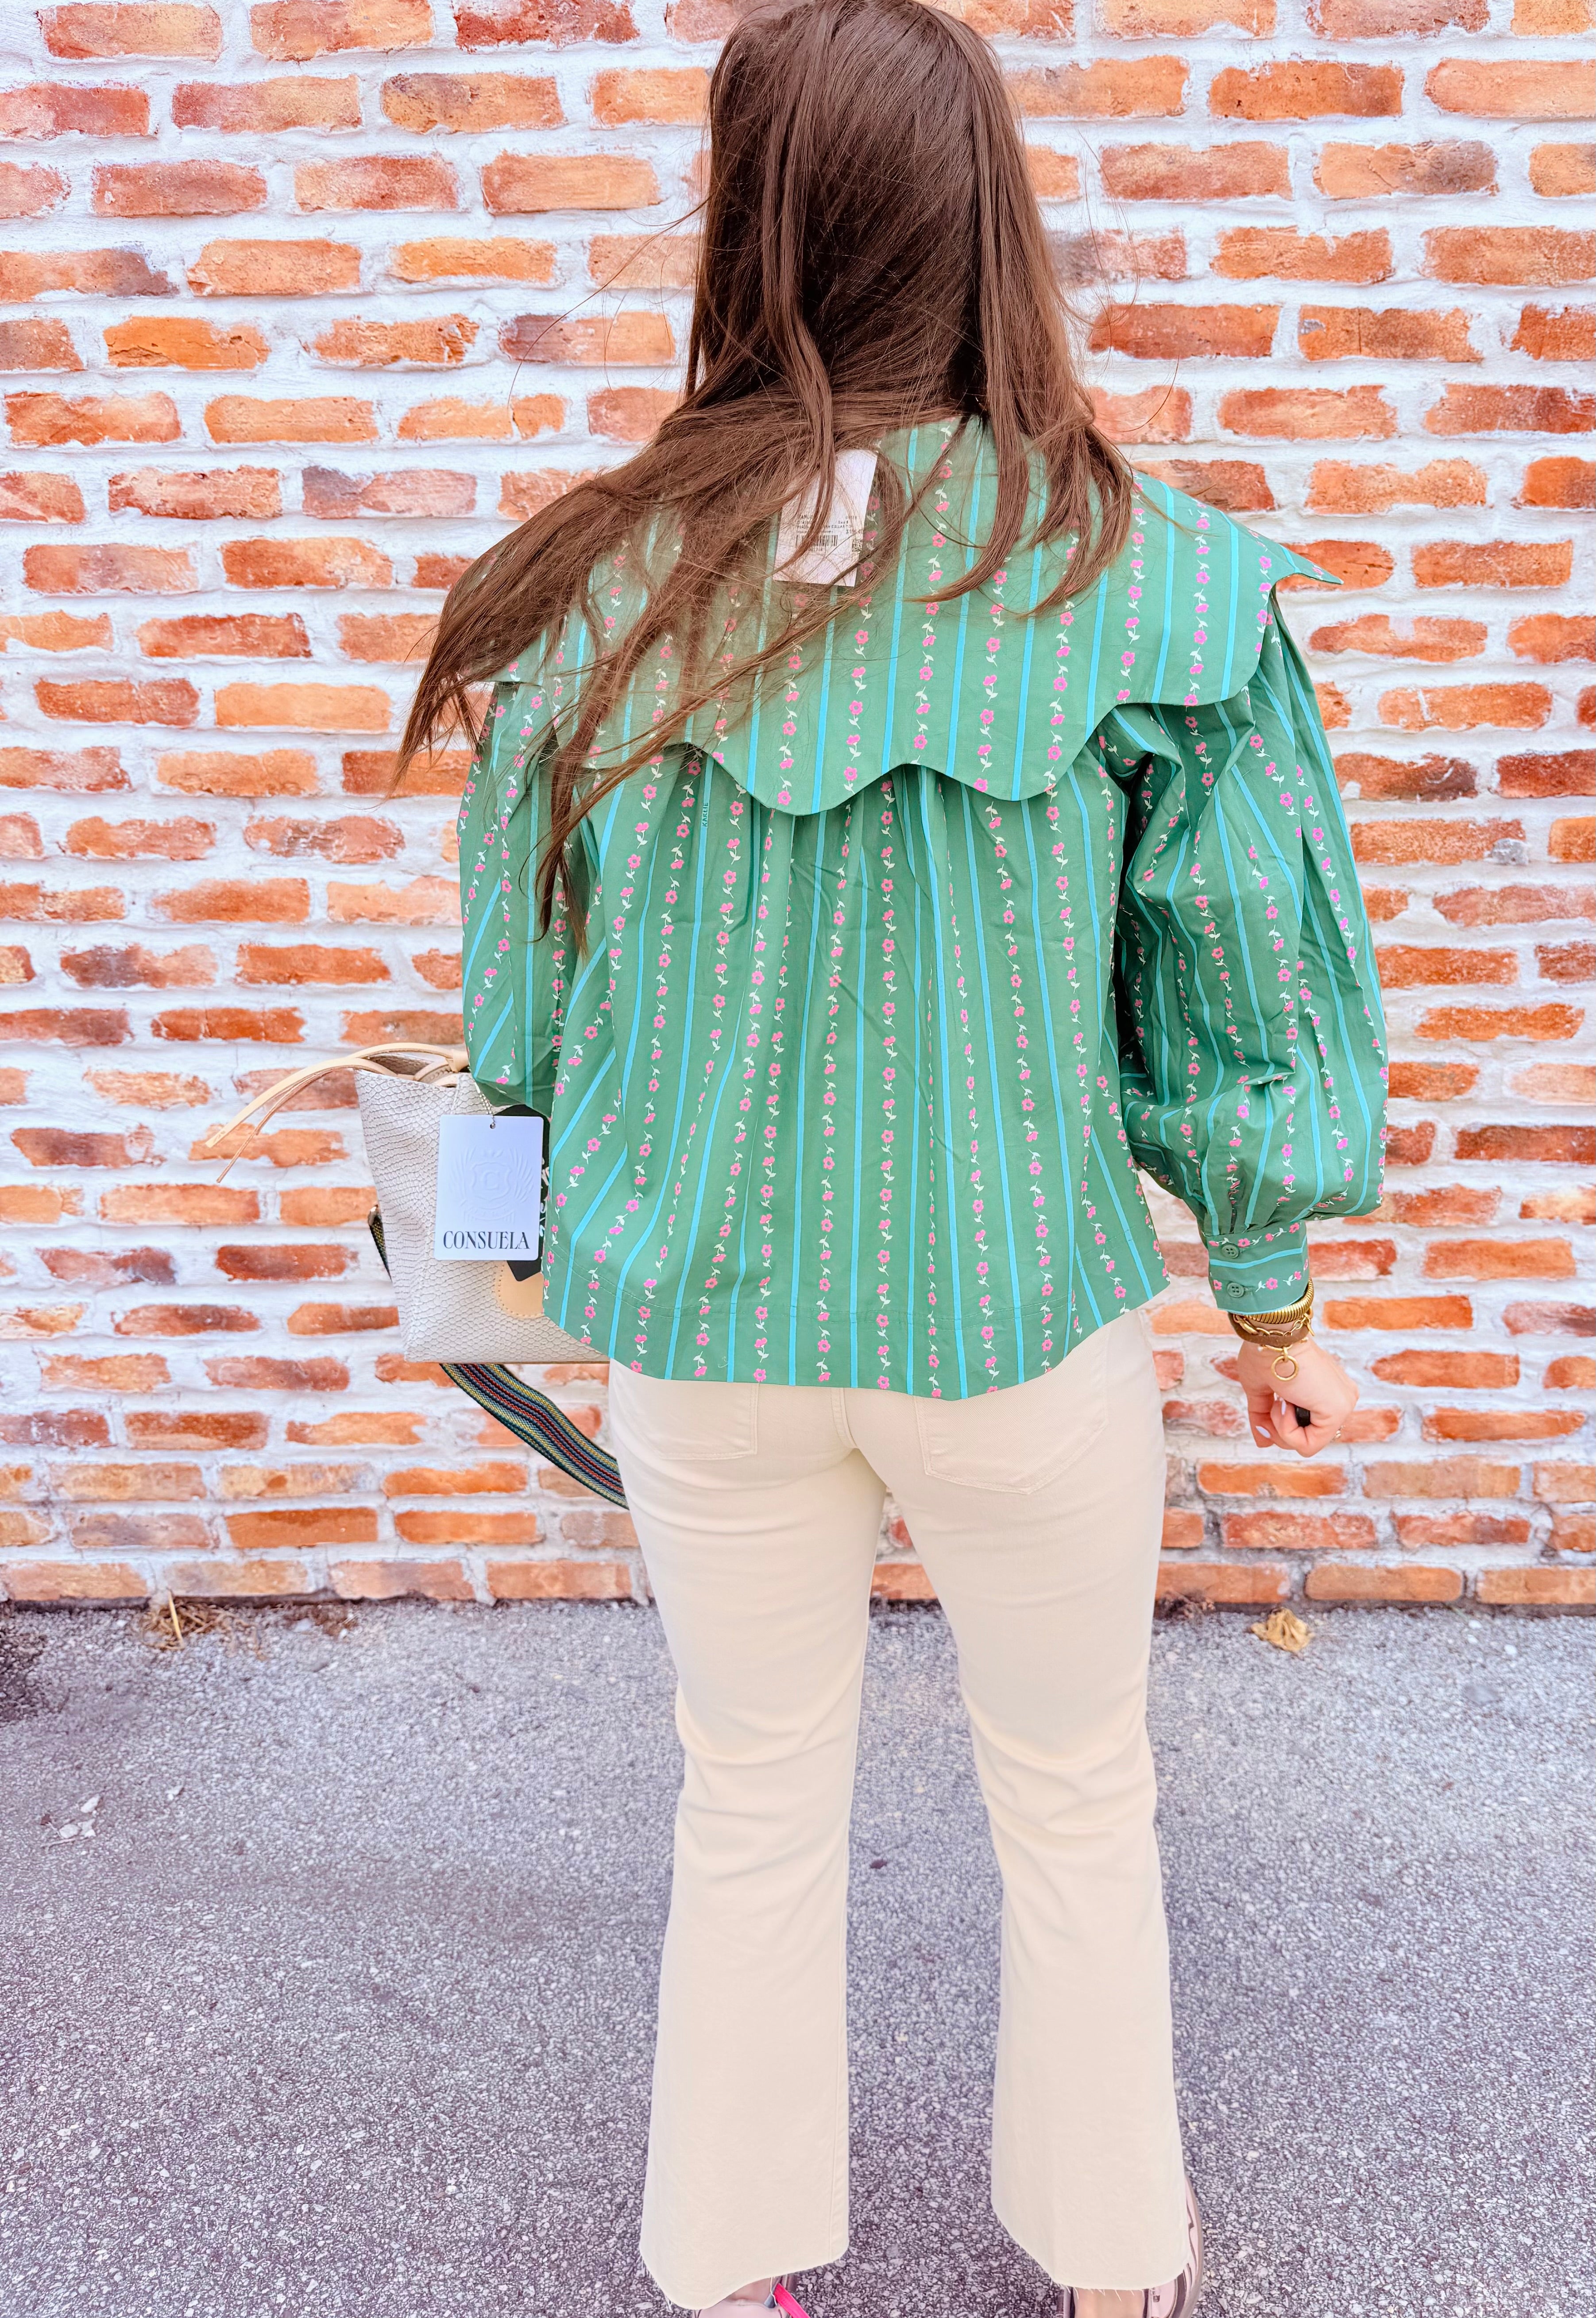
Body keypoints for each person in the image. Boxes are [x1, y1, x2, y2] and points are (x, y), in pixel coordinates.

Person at [401, 1, 1387, 2310]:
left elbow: (507, 1021)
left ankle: (734, 2266)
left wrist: (495, 1266)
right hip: (1010, 1327)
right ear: (984, 227)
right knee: (1071, 1789)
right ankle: (1113, 2257)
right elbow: (1235, 997)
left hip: (708, 1348)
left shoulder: (595, 589)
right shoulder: (1152, 583)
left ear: (744, 228)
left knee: (748, 1796)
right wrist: (1269, 1308)